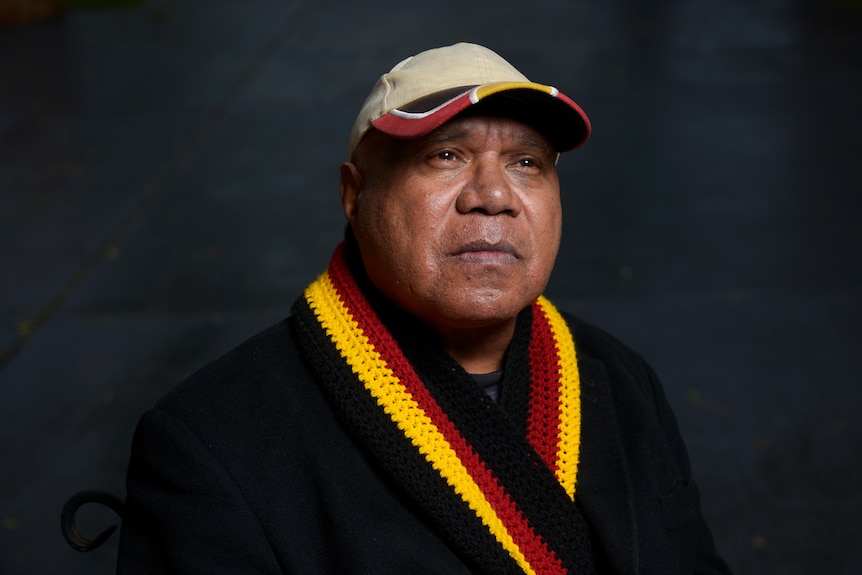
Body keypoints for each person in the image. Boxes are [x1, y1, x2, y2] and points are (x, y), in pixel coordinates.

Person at [116, 42, 731, 574]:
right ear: (355, 196)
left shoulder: (618, 379)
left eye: (527, 164)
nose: (493, 197)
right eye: (445, 156)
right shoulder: (214, 443)